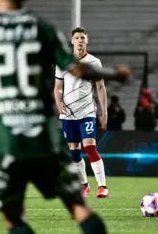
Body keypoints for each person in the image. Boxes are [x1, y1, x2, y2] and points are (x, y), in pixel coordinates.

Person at [0, 0, 130, 233]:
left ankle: (98, 184)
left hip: (5, 140)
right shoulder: (43, 28)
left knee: (14, 217)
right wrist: (115, 74)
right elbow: (78, 69)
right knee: (80, 209)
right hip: (44, 138)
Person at [54, 27, 109, 198]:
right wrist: (59, 103)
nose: (80, 40)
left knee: (90, 147)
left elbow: (100, 87)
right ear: (72, 41)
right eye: (77, 37)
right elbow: (57, 87)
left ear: (87, 41)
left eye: (83, 38)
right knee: (73, 151)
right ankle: (84, 185)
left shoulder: (94, 62)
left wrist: (104, 112)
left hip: (86, 111)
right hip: (68, 114)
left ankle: (102, 187)